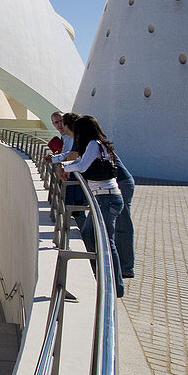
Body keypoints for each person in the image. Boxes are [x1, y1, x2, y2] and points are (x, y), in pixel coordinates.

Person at [58, 115, 126, 298]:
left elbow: (82, 165)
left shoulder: (94, 145)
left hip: (107, 198)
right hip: (104, 198)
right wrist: (65, 165)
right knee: (89, 234)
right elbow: (80, 164)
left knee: (106, 242)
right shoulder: (99, 144)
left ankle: (115, 287)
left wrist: (63, 166)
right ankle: (102, 277)